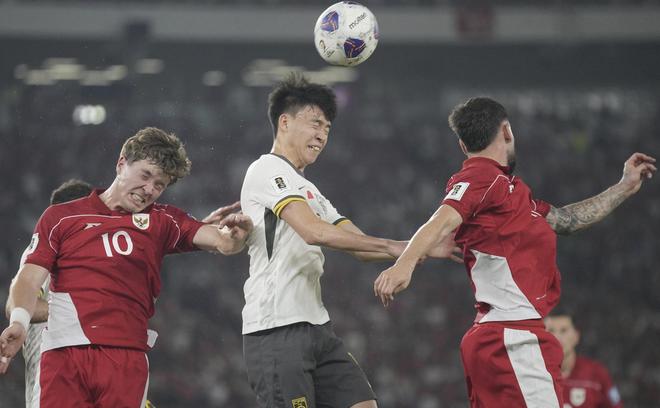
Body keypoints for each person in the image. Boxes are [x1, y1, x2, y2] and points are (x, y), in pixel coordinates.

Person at [374, 97, 655, 407]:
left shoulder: (511, 195)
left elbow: (566, 220)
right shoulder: (482, 177)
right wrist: (404, 264)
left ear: (462, 145)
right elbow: (441, 219)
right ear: (506, 130)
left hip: (499, 337)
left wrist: (623, 187)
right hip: (513, 337)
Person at [239, 74, 460, 408]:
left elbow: (358, 244)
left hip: (317, 326)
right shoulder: (266, 170)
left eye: (327, 128)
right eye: (315, 123)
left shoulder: (309, 190)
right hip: (275, 328)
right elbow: (313, 231)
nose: (322, 135)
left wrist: (417, 247)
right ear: (284, 122)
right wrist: (393, 249)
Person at [0, 127, 253, 408]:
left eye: (159, 185)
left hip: (125, 359)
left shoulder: (163, 221)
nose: (150, 190)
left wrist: (235, 237)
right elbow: (28, 279)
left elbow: (221, 241)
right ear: (121, 163)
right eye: (145, 176)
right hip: (64, 355)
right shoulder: (61, 217)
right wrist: (19, 322)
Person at [4, 179, 92, 408]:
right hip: (52, 383)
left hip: (92, 377)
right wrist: (77, 309)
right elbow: (15, 304)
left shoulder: (97, 257)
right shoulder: (47, 251)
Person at [545, 310, 623, 408]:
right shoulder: (533, 373)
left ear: (576, 336)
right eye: (551, 331)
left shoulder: (597, 374)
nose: (557, 337)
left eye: (564, 330)